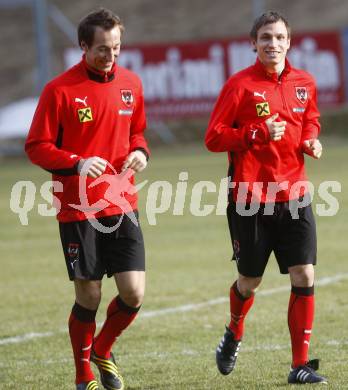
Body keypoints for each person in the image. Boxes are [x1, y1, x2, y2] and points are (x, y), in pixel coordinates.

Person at [26, 8, 149, 390]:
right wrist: (76, 163)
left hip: (122, 202)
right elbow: (36, 146)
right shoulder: (59, 90)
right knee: (90, 294)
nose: (110, 56)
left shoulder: (131, 83)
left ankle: (103, 348)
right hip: (78, 209)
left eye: (115, 48)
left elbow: (138, 132)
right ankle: (83, 377)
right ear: (82, 46)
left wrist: (141, 152)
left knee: (133, 292)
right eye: (101, 49)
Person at [205, 11, 327, 385]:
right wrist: (255, 133)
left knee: (304, 273)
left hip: (295, 192)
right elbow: (213, 137)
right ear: (253, 44)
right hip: (250, 196)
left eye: (278, 37)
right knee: (249, 280)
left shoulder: (305, 82)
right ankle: (234, 331)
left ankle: (300, 365)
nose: (272, 44)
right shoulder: (239, 86)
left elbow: (311, 118)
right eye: (265, 38)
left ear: (289, 42)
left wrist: (311, 138)